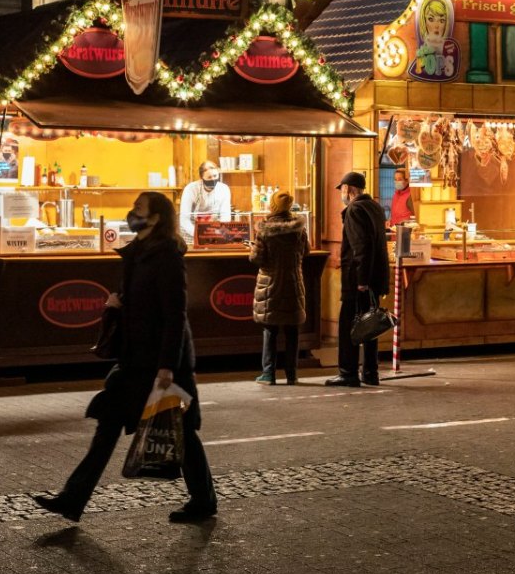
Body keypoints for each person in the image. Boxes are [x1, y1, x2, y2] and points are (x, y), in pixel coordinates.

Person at [34, 192, 217, 524]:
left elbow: (174, 316)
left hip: (161, 362)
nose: (132, 213)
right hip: (133, 360)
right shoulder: (137, 254)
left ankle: (203, 499)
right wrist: (118, 303)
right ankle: (72, 499)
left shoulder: (167, 257)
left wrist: (166, 366)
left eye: (138, 209)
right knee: (107, 426)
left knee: (181, 431)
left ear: (156, 218)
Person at [327, 171, 390, 387]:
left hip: (358, 281)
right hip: (375, 279)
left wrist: (361, 280)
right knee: (370, 325)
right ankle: (371, 373)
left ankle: (348, 372)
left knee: (349, 327)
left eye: (342, 190)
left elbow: (361, 248)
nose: (342, 194)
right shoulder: (375, 207)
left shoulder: (354, 210)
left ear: (349, 190)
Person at [251, 190, 309, 386]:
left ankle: (269, 373)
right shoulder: (299, 229)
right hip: (293, 281)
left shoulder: (264, 230)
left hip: (271, 283)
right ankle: (292, 374)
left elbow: (257, 258)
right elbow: (305, 252)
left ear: (273, 206)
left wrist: (251, 249)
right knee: (292, 330)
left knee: (270, 330)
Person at [178, 161, 232, 244]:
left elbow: (225, 215)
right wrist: (198, 234)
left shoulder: (224, 189)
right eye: (209, 177)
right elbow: (184, 219)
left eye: (215, 176)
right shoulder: (191, 189)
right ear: (201, 178)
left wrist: (218, 233)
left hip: (214, 231)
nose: (213, 179)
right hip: (190, 231)